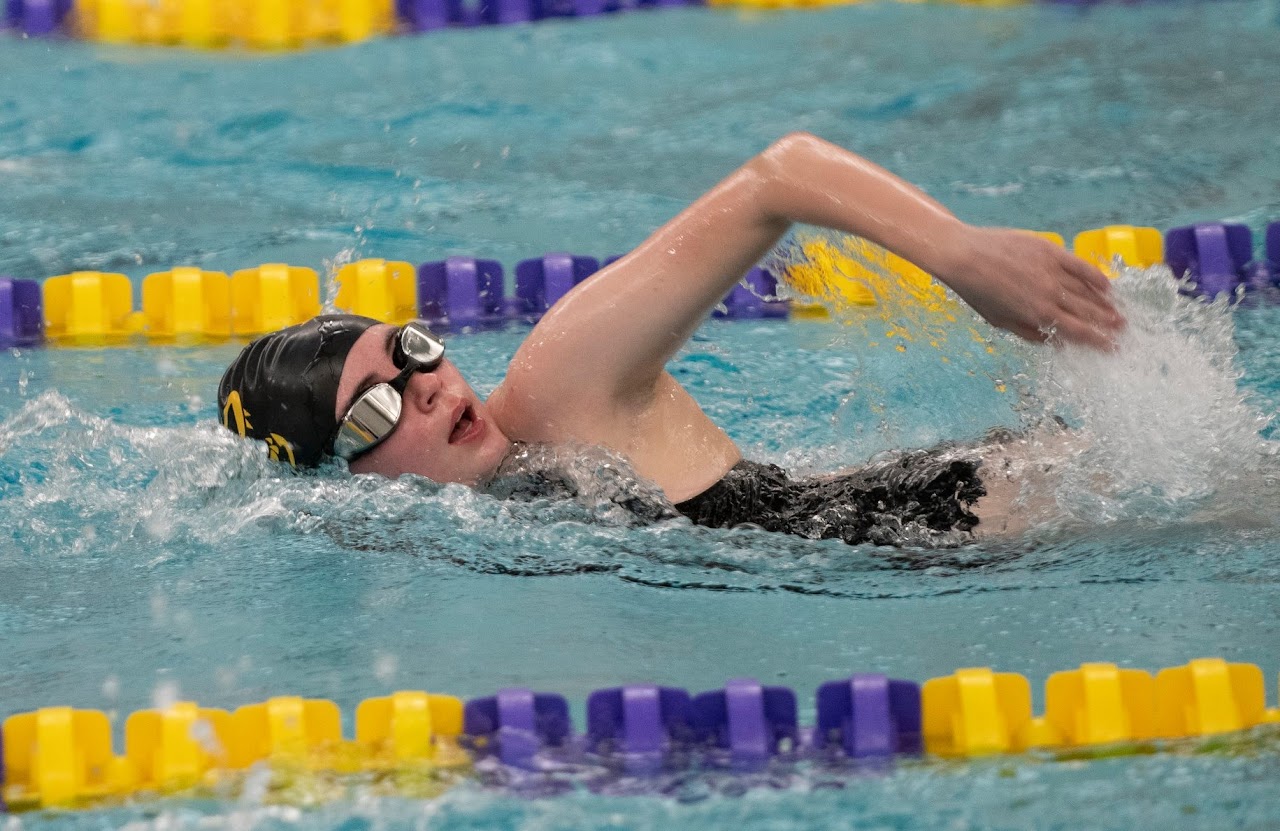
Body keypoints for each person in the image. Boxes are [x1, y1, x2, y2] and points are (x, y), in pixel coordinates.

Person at [218, 132, 1124, 546]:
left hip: (1004, 506)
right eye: (374, 405)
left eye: (410, 348)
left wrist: (963, 254)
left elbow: (782, 174)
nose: (423, 384)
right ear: (338, 480)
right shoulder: (468, 523)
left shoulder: (557, 384)